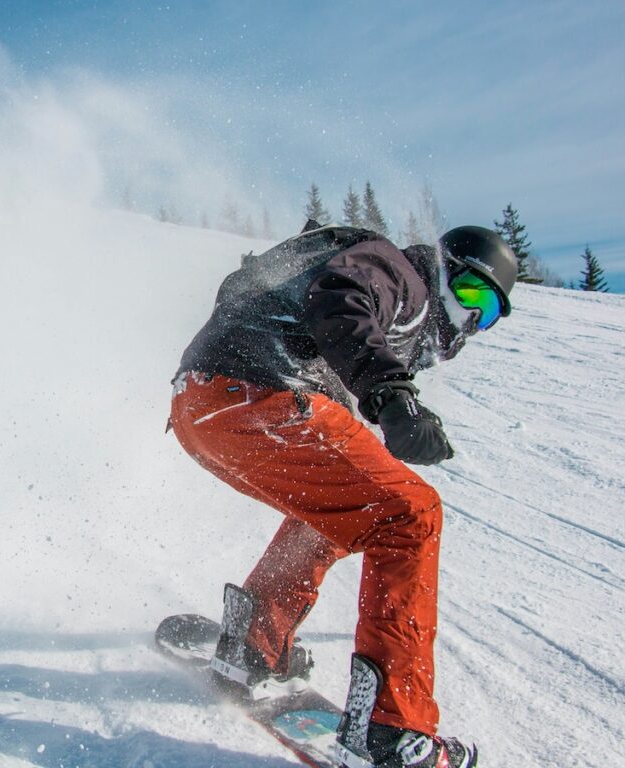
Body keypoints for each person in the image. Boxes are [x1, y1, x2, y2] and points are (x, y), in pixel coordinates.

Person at [169, 220, 517, 768]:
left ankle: (249, 647)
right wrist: (392, 394)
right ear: (445, 267)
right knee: (411, 513)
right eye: (472, 294)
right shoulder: (404, 274)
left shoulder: (386, 297)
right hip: (259, 391)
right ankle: (391, 730)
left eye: (490, 314)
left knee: (341, 512)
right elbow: (342, 297)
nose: (472, 317)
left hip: (202, 406)